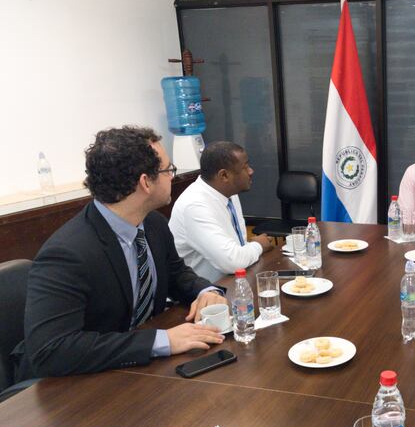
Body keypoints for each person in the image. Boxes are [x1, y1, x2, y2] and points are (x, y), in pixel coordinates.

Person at [12, 126, 228, 380]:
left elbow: (176, 273)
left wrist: (206, 292)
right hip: (69, 387)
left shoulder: (153, 224)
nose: (172, 176)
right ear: (146, 182)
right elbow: (52, 351)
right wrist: (161, 340)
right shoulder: (67, 254)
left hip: (135, 372)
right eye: (168, 170)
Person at [169, 141, 273, 283]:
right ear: (224, 175)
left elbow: (238, 246)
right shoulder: (194, 205)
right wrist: (258, 245)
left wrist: (248, 250)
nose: (251, 171)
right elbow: (232, 262)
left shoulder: (229, 192)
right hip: (201, 295)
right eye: (245, 167)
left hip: (233, 281)